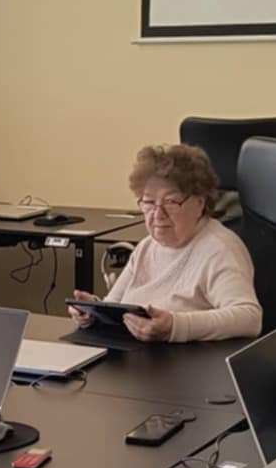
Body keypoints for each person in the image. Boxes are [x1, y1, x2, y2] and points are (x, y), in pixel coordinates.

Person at [69, 144, 261, 343]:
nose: (158, 214)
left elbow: (249, 318)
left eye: (171, 202)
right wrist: (93, 312)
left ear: (199, 203)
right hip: (134, 354)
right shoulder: (147, 247)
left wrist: (175, 326)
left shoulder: (220, 249)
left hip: (184, 359)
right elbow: (114, 306)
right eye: (149, 202)